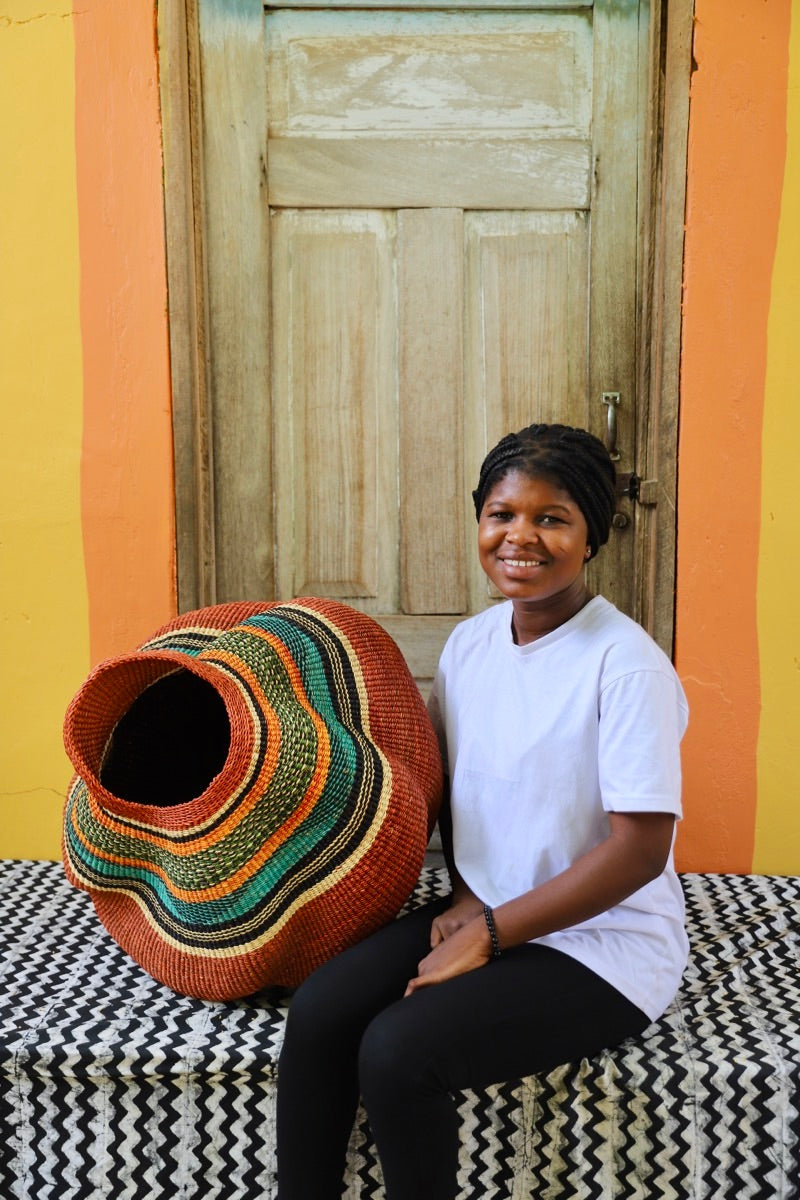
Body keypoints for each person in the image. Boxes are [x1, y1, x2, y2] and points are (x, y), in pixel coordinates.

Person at [276, 423, 689, 1200]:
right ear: (479, 522)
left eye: (551, 518)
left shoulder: (626, 666)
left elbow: (639, 852)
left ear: (591, 536)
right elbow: (450, 788)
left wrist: (489, 936)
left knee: (398, 1053)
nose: (519, 537)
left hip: (605, 943)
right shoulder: (469, 647)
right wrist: (468, 895)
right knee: (323, 1013)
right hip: (490, 910)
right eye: (501, 514)